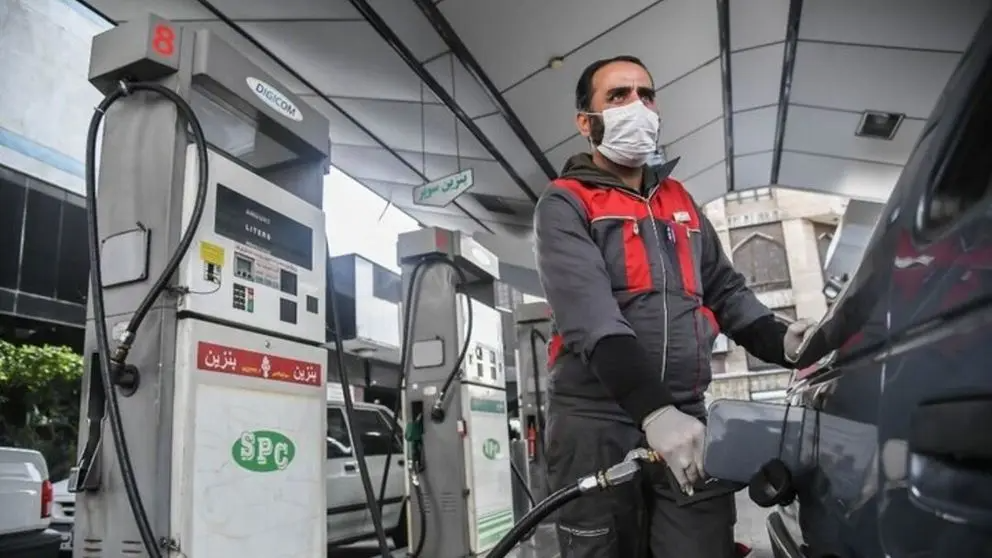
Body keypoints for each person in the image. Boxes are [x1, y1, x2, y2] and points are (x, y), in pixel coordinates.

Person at [533, 55, 818, 558]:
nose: (636, 106)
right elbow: (593, 319)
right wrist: (652, 410)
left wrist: (782, 340)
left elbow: (726, 292)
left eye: (646, 94)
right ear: (587, 122)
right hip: (594, 423)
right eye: (618, 96)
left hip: (685, 417)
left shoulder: (680, 204)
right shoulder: (566, 203)